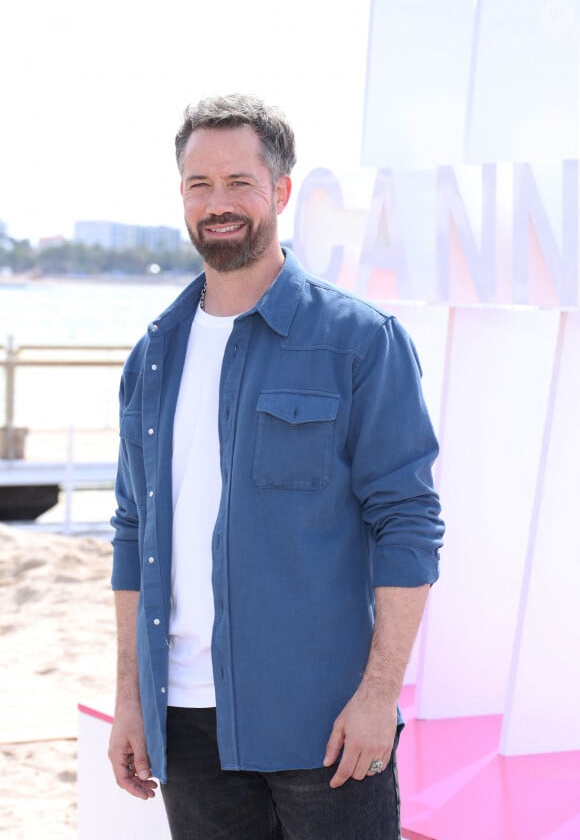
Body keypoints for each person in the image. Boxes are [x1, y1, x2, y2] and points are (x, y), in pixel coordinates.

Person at [108, 93, 444, 840]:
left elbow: (409, 523)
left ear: (281, 191)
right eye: (199, 184)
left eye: (238, 182)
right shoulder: (152, 356)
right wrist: (132, 698)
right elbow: (133, 532)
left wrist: (377, 694)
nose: (217, 203)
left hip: (322, 723)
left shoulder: (360, 341)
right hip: (187, 726)